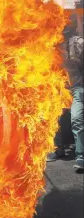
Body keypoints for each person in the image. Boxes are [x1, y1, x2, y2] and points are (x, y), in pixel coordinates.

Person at [47, 11, 83, 172]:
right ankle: (57, 149)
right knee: (53, 118)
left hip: (77, 87)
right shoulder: (50, 44)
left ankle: (81, 156)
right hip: (59, 87)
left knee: (77, 118)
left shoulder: (78, 43)